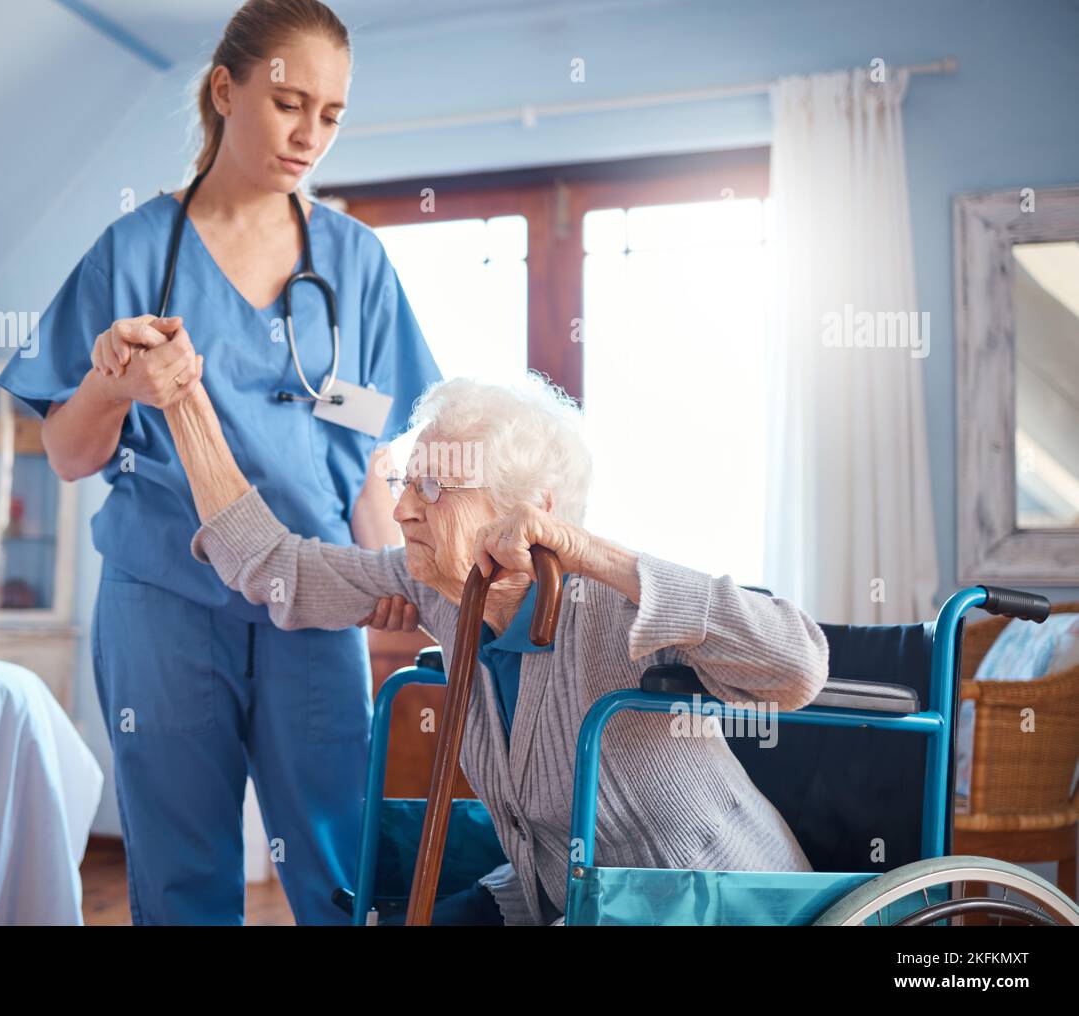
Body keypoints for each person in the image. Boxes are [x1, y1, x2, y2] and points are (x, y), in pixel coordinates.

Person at [0, 0, 440, 925]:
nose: (309, 134)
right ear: (225, 89)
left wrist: (394, 577)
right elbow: (69, 454)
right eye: (289, 102)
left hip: (313, 595)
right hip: (165, 593)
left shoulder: (354, 262)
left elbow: (365, 458)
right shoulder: (133, 252)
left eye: (331, 113)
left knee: (335, 862)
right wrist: (116, 384)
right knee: (180, 868)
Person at [157, 370, 831, 925]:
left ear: (532, 506)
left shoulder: (620, 608)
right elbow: (279, 569)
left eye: (433, 488)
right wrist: (184, 402)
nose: (400, 511)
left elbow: (799, 665)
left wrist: (592, 552)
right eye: (405, 484)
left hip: (720, 908)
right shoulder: (441, 595)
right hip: (561, 906)